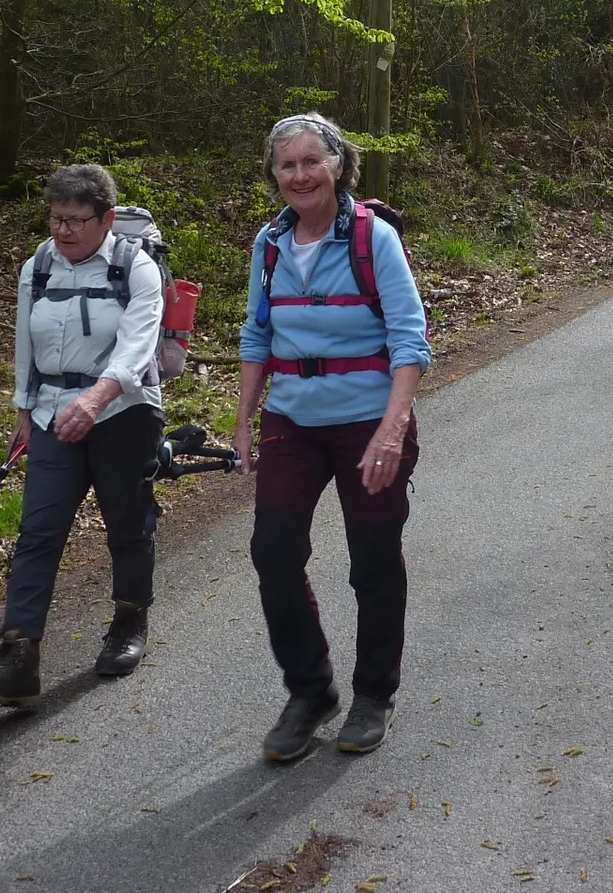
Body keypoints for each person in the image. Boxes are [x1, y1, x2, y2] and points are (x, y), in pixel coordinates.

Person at [236, 113, 430, 762]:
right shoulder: (268, 246)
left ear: (340, 166)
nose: (300, 175)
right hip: (292, 417)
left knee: (372, 558)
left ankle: (374, 693)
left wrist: (391, 431)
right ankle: (310, 689)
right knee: (274, 551)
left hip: (368, 418)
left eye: (311, 162)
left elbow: (410, 340)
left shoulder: (374, 241)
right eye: (286, 166)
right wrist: (243, 419)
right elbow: (256, 337)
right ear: (274, 176)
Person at [0, 163, 165, 709]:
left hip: (124, 412)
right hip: (52, 414)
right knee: (38, 531)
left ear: (107, 219)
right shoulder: (40, 266)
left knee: (126, 521)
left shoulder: (136, 268)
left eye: (76, 220)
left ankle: (128, 622)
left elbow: (138, 346)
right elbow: (27, 340)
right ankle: (18, 655)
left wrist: (97, 398)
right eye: (56, 218)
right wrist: (24, 409)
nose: (64, 230)